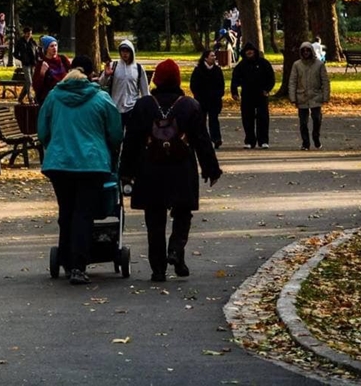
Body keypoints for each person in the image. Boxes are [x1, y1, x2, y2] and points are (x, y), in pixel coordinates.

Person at [121, 59, 222, 282]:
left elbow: (131, 141)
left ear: (156, 79)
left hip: (150, 168)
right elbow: (202, 140)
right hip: (181, 167)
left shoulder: (144, 105)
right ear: (177, 79)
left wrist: (126, 172)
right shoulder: (190, 105)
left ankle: (158, 269)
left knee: (155, 220)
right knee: (183, 212)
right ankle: (176, 250)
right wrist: (211, 169)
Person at [37, 55, 122, 285]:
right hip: (91, 164)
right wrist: (110, 150)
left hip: (59, 163)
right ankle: (78, 265)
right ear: (91, 74)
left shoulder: (54, 97)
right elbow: (115, 133)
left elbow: (42, 129)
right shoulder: (101, 99)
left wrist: (52, 146)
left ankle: (65, 257)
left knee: (66, 212)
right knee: (84, 213)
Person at [231, 42, 275, 148]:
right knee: (247, 118)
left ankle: (263, 141)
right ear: (244, 53)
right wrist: (234, 92)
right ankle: (249, 141)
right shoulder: (241, 66)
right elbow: (235, 79)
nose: (249, 52)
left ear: (255, 52)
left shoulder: (264, 63)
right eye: (247, 51)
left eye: (251, 50)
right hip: (247, 94)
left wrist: (267, 89)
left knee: (263, 118)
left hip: (261, 94)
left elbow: (271, 78)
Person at [288, 41, 330, 150]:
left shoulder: (319, 64)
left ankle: (316, 137)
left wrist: (325, 96)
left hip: (315, 96)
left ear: (311, 51)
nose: (306, 52)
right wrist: (292, 97)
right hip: (301, 96)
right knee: (303, 122)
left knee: (317, 119)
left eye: (308, 50)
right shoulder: (297, 65)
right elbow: (292, 81)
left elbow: (325, 81)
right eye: (304, 51)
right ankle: (305, 143)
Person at [98, 39, 149, 126]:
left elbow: (145, 91)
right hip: (115, 107)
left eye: (127, 51)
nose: (125, 53)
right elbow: (101, 83)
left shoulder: (138, 68)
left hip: (132, 108)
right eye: (123, 50)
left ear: (132, 52)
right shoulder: (113, 66)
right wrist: (106, 75)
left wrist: (146, 108)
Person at [189, 49, 226, 148]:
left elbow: (221, 85)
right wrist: (198, 96)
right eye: (212, 56)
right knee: (201, 120)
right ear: (205, 58)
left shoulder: (217, 70)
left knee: (214, 120)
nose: (214, 57)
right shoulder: (198, 70)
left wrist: (219, 94)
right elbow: (193, 85)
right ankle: (202, 139)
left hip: (214, 100)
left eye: (214, 56)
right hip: (201, 100)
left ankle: (216, 139)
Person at [34, 37, 71, 105]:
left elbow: (72, 73)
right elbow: (36, 87)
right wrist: (42, 73)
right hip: (50, 99)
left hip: (64, 97)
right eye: (51, 46)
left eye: (56, 45)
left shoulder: (63, 59)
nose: (54, 48)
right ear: (46, 49)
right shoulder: (41, 64)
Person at [14, 27, 40, 104]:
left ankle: (20, 98)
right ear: (24, 33)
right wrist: (22, 58)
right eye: (28, 33)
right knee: (29, 80)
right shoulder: (20, 42)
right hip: (25, 64)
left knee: (28, 82)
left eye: (31, 33)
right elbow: (15, 54)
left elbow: (36, 52)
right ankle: (30, 98)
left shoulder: (33, 42)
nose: (30, 35)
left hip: (33, 63)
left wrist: (37, 60)